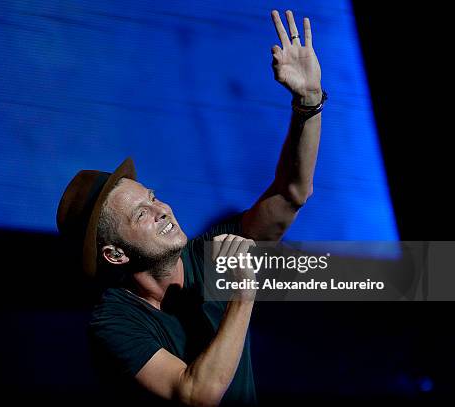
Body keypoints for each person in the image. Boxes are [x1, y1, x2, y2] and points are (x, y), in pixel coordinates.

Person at [56, 10, 325, 406]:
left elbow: (291, 194)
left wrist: (308, 104)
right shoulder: (115, 323)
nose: (161, 209)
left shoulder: (212, 256)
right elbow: (196, 394)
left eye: (151, 196)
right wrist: (244, 294)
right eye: (140, 214)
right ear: (114, 253)